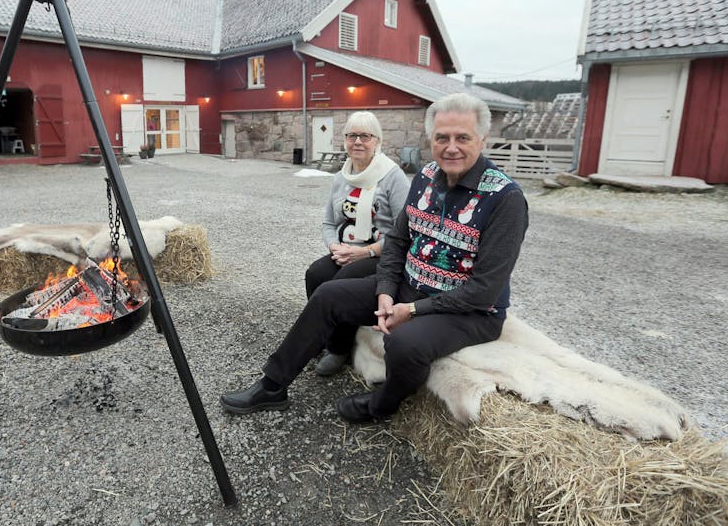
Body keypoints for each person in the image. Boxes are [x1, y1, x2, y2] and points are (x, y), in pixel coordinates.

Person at [220, 93, 529, 422]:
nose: (451, 147)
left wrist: (411, 310)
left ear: (482, 139)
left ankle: (382, 404)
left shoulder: (505, 199)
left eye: (462, 137)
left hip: (471, 312)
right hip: (412, 287)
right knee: (327, 295)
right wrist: (385, 288)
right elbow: (397, 238)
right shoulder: (425, 178)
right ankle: (272, 386)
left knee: (404, 345)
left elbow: (485, 290)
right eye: (442, 137)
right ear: (431, 139)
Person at [306, 112, 409, 376]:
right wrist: (334, 248)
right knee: (315, 273)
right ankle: (320, 332)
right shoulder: (341, 177)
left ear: (377, 141)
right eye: (352, 135)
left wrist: (365, 252)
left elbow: (404, 232)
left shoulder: (392, 177)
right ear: (345, 141)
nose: (358, 142)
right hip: (346, 250)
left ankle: (339, 349)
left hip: (379, 254)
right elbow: (328, 223)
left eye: (365, 136)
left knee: (340, 282)